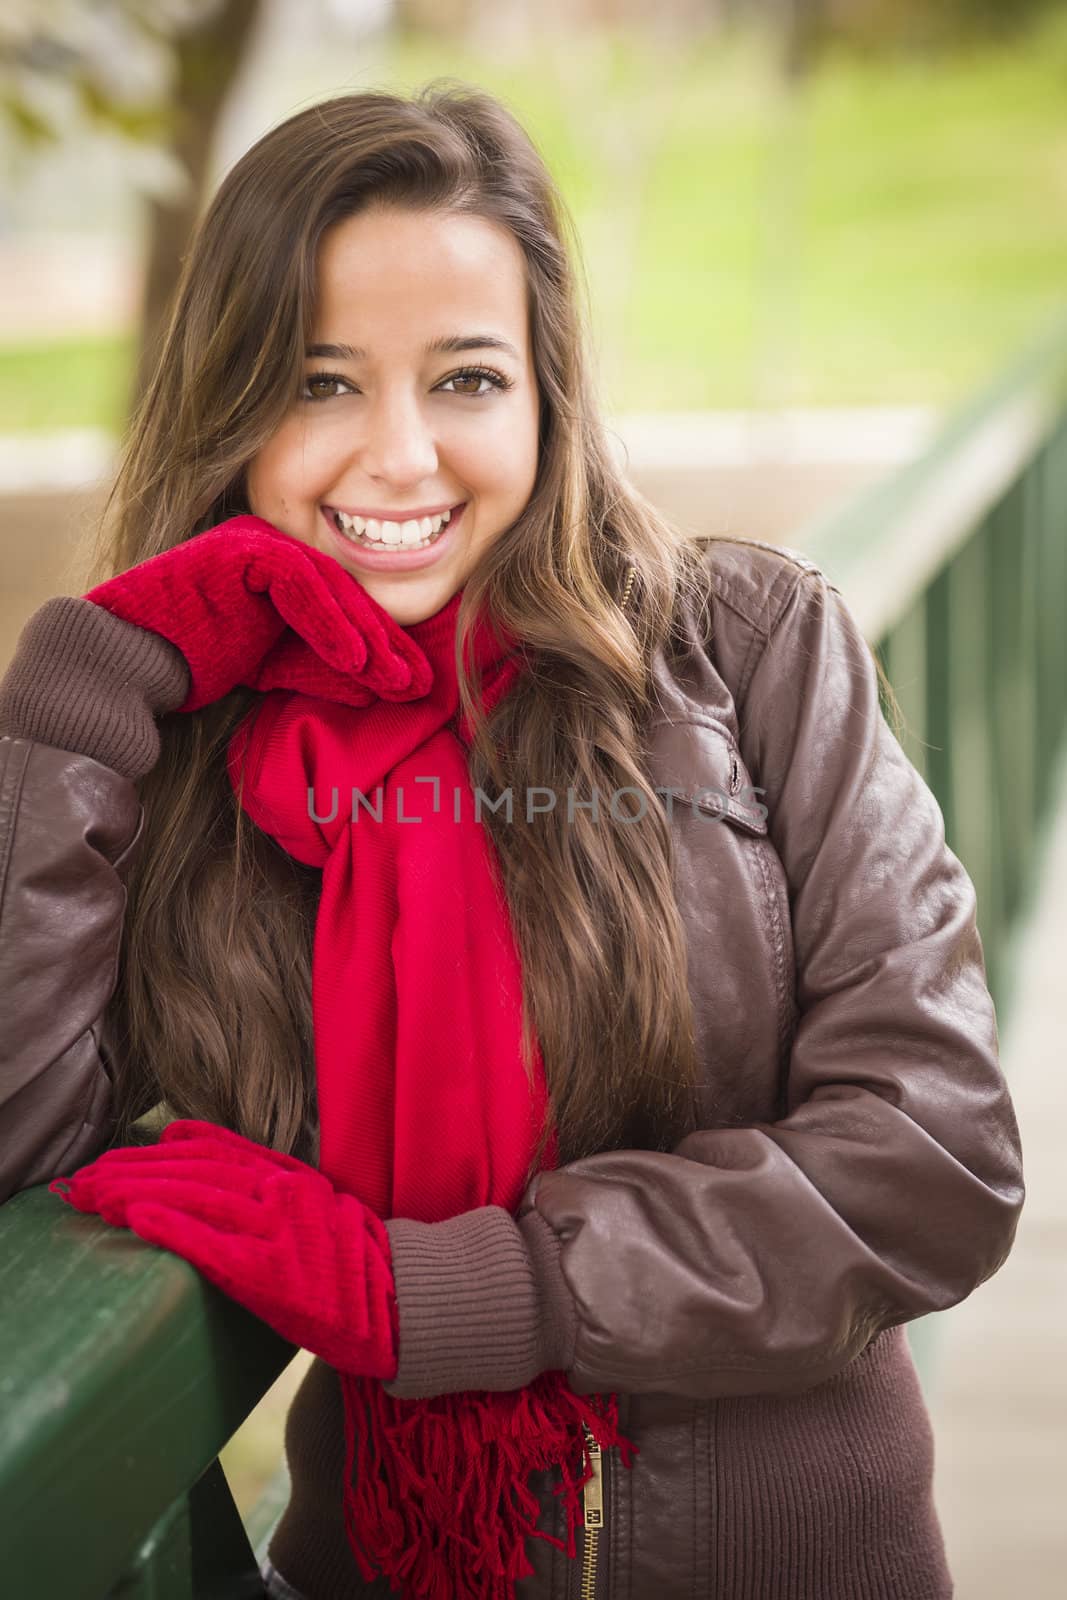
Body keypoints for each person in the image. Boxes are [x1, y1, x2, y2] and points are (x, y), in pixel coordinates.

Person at [0, 81, 1023, 1600]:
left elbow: (936, 1157)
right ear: (228, 405)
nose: (399, 459)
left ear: (545, 392)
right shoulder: (185, 757)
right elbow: (25, 1134)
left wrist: (450, 1296)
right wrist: (87, 696)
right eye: (319, 382)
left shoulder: (748, 648)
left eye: (465, 380)